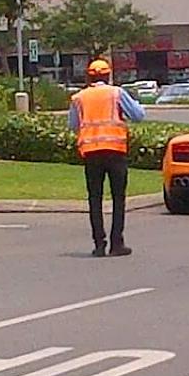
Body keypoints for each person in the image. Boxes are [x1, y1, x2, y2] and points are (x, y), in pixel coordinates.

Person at [68, 59, 146, 257]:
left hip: (91, 153)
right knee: (118, 198)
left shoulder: (78, 98)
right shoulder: (116, 93)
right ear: (108, 75)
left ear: (89, 77)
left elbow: (74, 125)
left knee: (95, 198)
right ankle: (116, 243)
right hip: (115, 151)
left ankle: (99, 244)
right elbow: (138, 115)